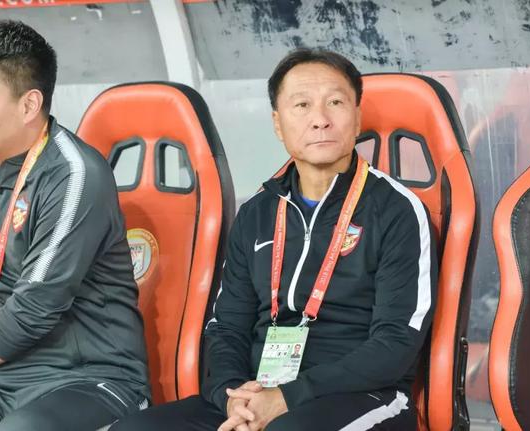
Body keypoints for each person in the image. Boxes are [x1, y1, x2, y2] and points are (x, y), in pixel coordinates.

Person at [112, 47, 436, 431]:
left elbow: (395, 344)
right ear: (278, 124)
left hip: (363, 395)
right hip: (259, 392)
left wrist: (286, 398)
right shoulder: (257, 213)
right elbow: (227, 328)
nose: (320, 120)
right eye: (302, 105)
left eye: (335, 102)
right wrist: (233, 398)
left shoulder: (396, 210)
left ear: (357, 117)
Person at [0, 20, 149, 430]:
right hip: (8, 373)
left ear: (29, 105)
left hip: (86, 379)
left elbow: (33, 310)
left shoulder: (73, 175)